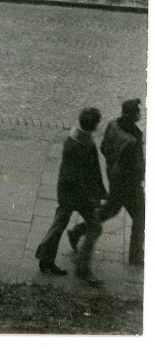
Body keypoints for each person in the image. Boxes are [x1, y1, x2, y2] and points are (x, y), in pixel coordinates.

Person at [35, 108, 107, 285]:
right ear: (94, 125)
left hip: (66, 192)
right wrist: (97, 195)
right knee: (95, 227)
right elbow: (92, 173)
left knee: (59, 224)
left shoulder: (72, 138)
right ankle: (82, 268)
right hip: (79, 195)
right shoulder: (86, 145)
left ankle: (45, 258)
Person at [93, 99, 145, 266]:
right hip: (128, 186)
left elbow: (103, 147)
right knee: (141, 217)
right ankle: (136, 257)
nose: (140, 113)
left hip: (114, 178)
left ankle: (78, 231)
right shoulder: (133, 140)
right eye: (138, 111)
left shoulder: (113, 125)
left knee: (110, 209)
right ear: (132, 115)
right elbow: (136, 169)